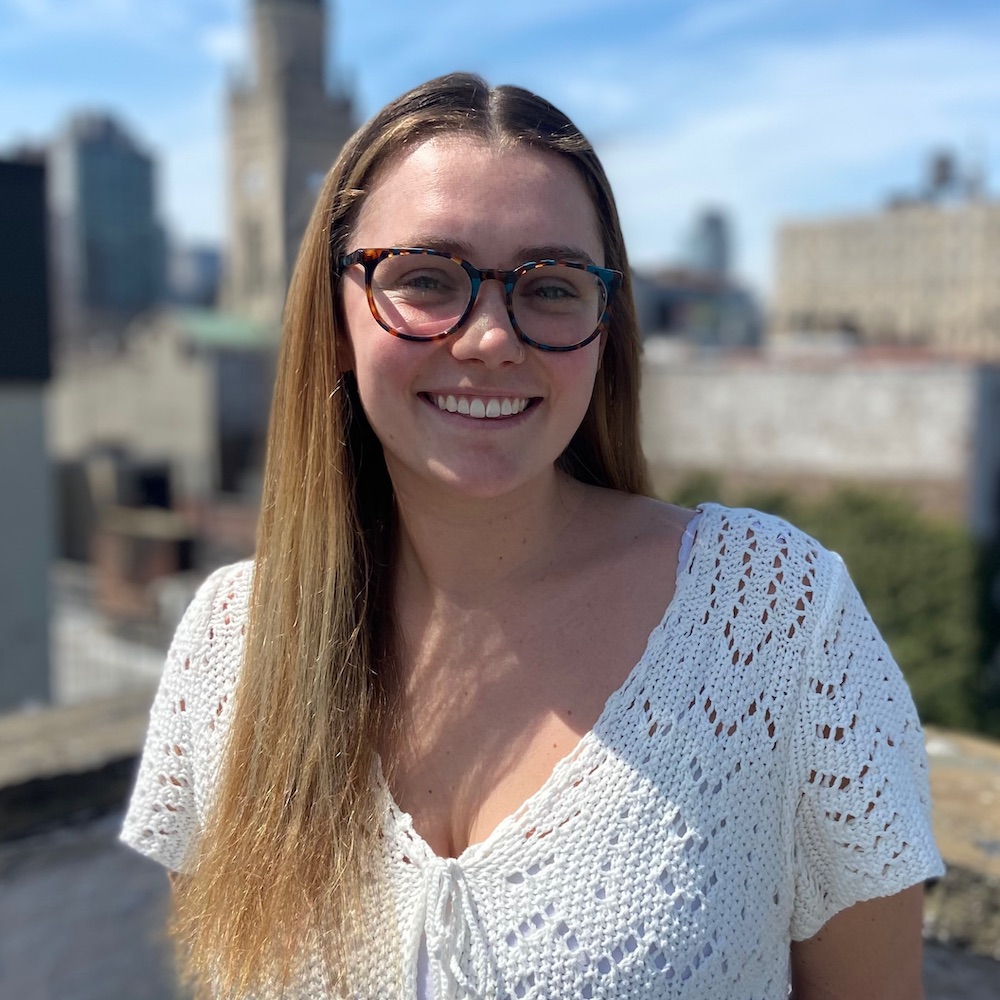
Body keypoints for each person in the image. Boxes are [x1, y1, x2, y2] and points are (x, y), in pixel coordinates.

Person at [121, 73, 944, 1000]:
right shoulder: (226, 648)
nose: (489, 338)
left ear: (605, 327)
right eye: (426, 278)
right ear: (336, 321)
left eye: (550, 286)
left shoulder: (780, 618)